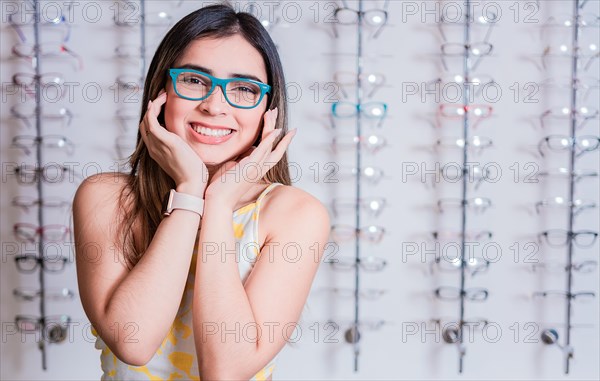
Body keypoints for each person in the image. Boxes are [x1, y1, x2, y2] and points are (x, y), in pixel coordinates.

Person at [72, 3, 330, 380]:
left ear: (267, 111)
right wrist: (191, 192)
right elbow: (134, 342)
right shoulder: (108, 197)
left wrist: (221, 203)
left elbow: (224, 372)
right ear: (162, 92)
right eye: (194, 80)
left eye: (243, 88)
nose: (214, 106)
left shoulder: (293, 214)